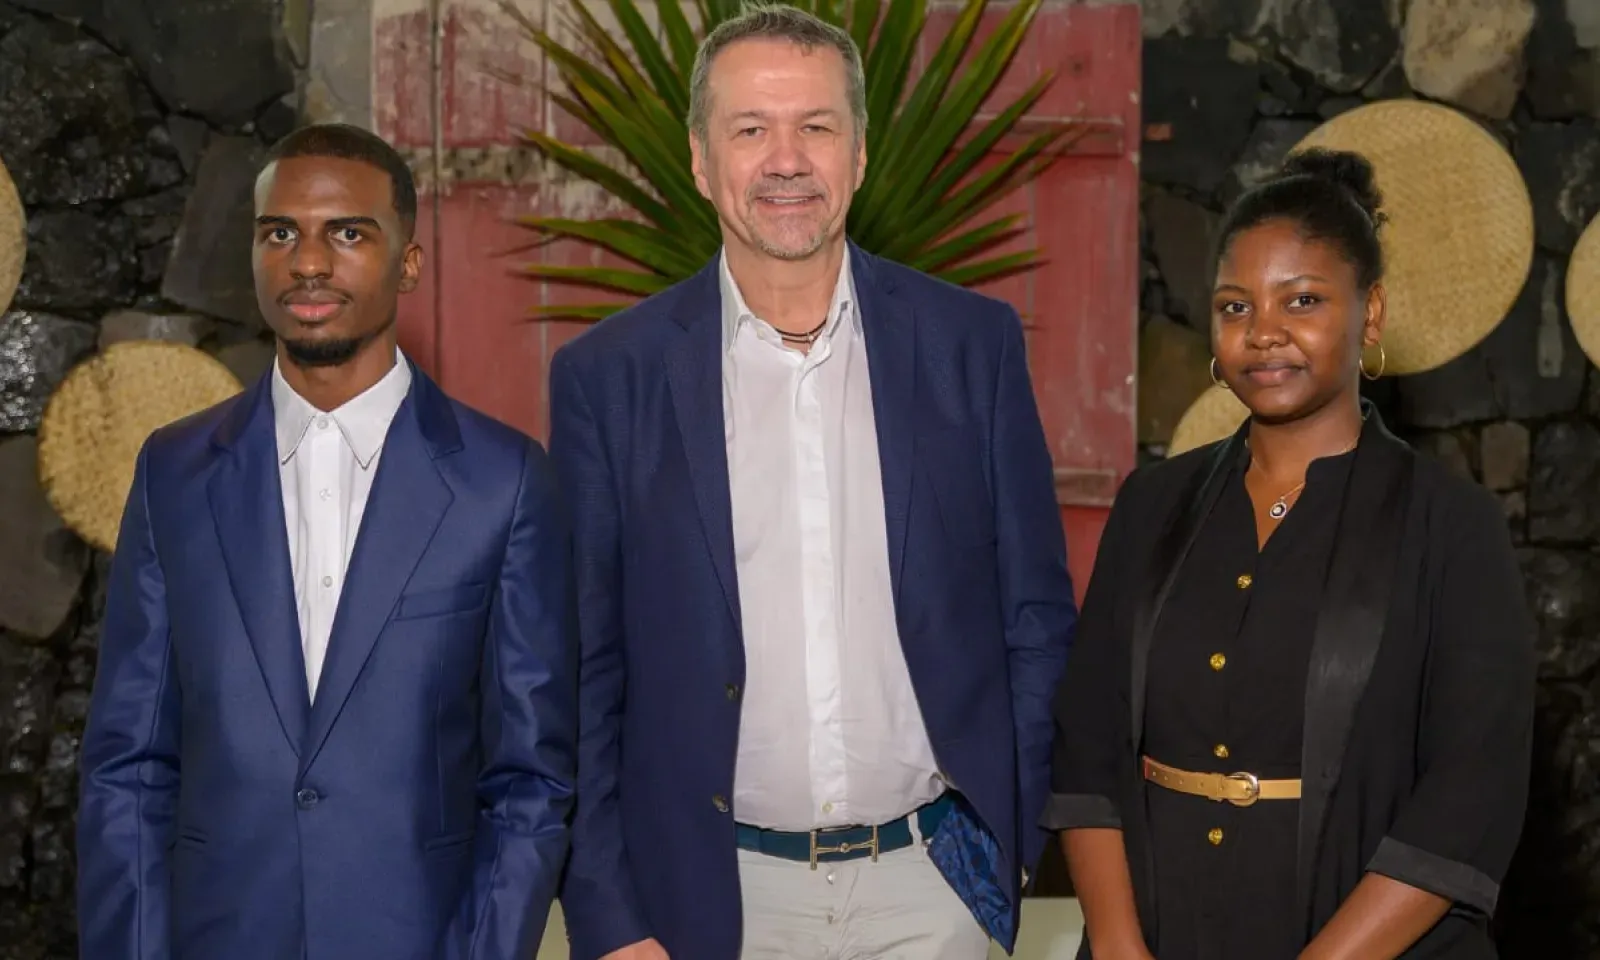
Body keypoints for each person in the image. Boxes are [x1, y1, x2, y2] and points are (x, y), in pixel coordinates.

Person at [548, 5, 1077, 958]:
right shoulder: (608, 379)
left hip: (936, 891)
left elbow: (1035, 619)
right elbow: (584, 671)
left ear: (860, 154)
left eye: (817, 127)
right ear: (701, 160)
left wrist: (1011, 844)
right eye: (751, 129)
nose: (786, 160)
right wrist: (611, 919)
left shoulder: (970, 347)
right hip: (709, 904)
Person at [75, 123, 578, 960]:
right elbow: (127, 766)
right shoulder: (175, 473)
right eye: (281, 233)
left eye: (347, 233)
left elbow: (530, 779)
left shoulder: (503, 483)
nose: (308, 262)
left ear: (407, 263)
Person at [1046, 147, 1536, 959]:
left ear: (1370, 314)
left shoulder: (1453, 527)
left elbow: (1469, 794)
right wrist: (1120, 948)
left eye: (1302, 300)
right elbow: (1088, 744)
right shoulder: (1151, 506)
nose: (1263, 332)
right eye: (1235, 307)